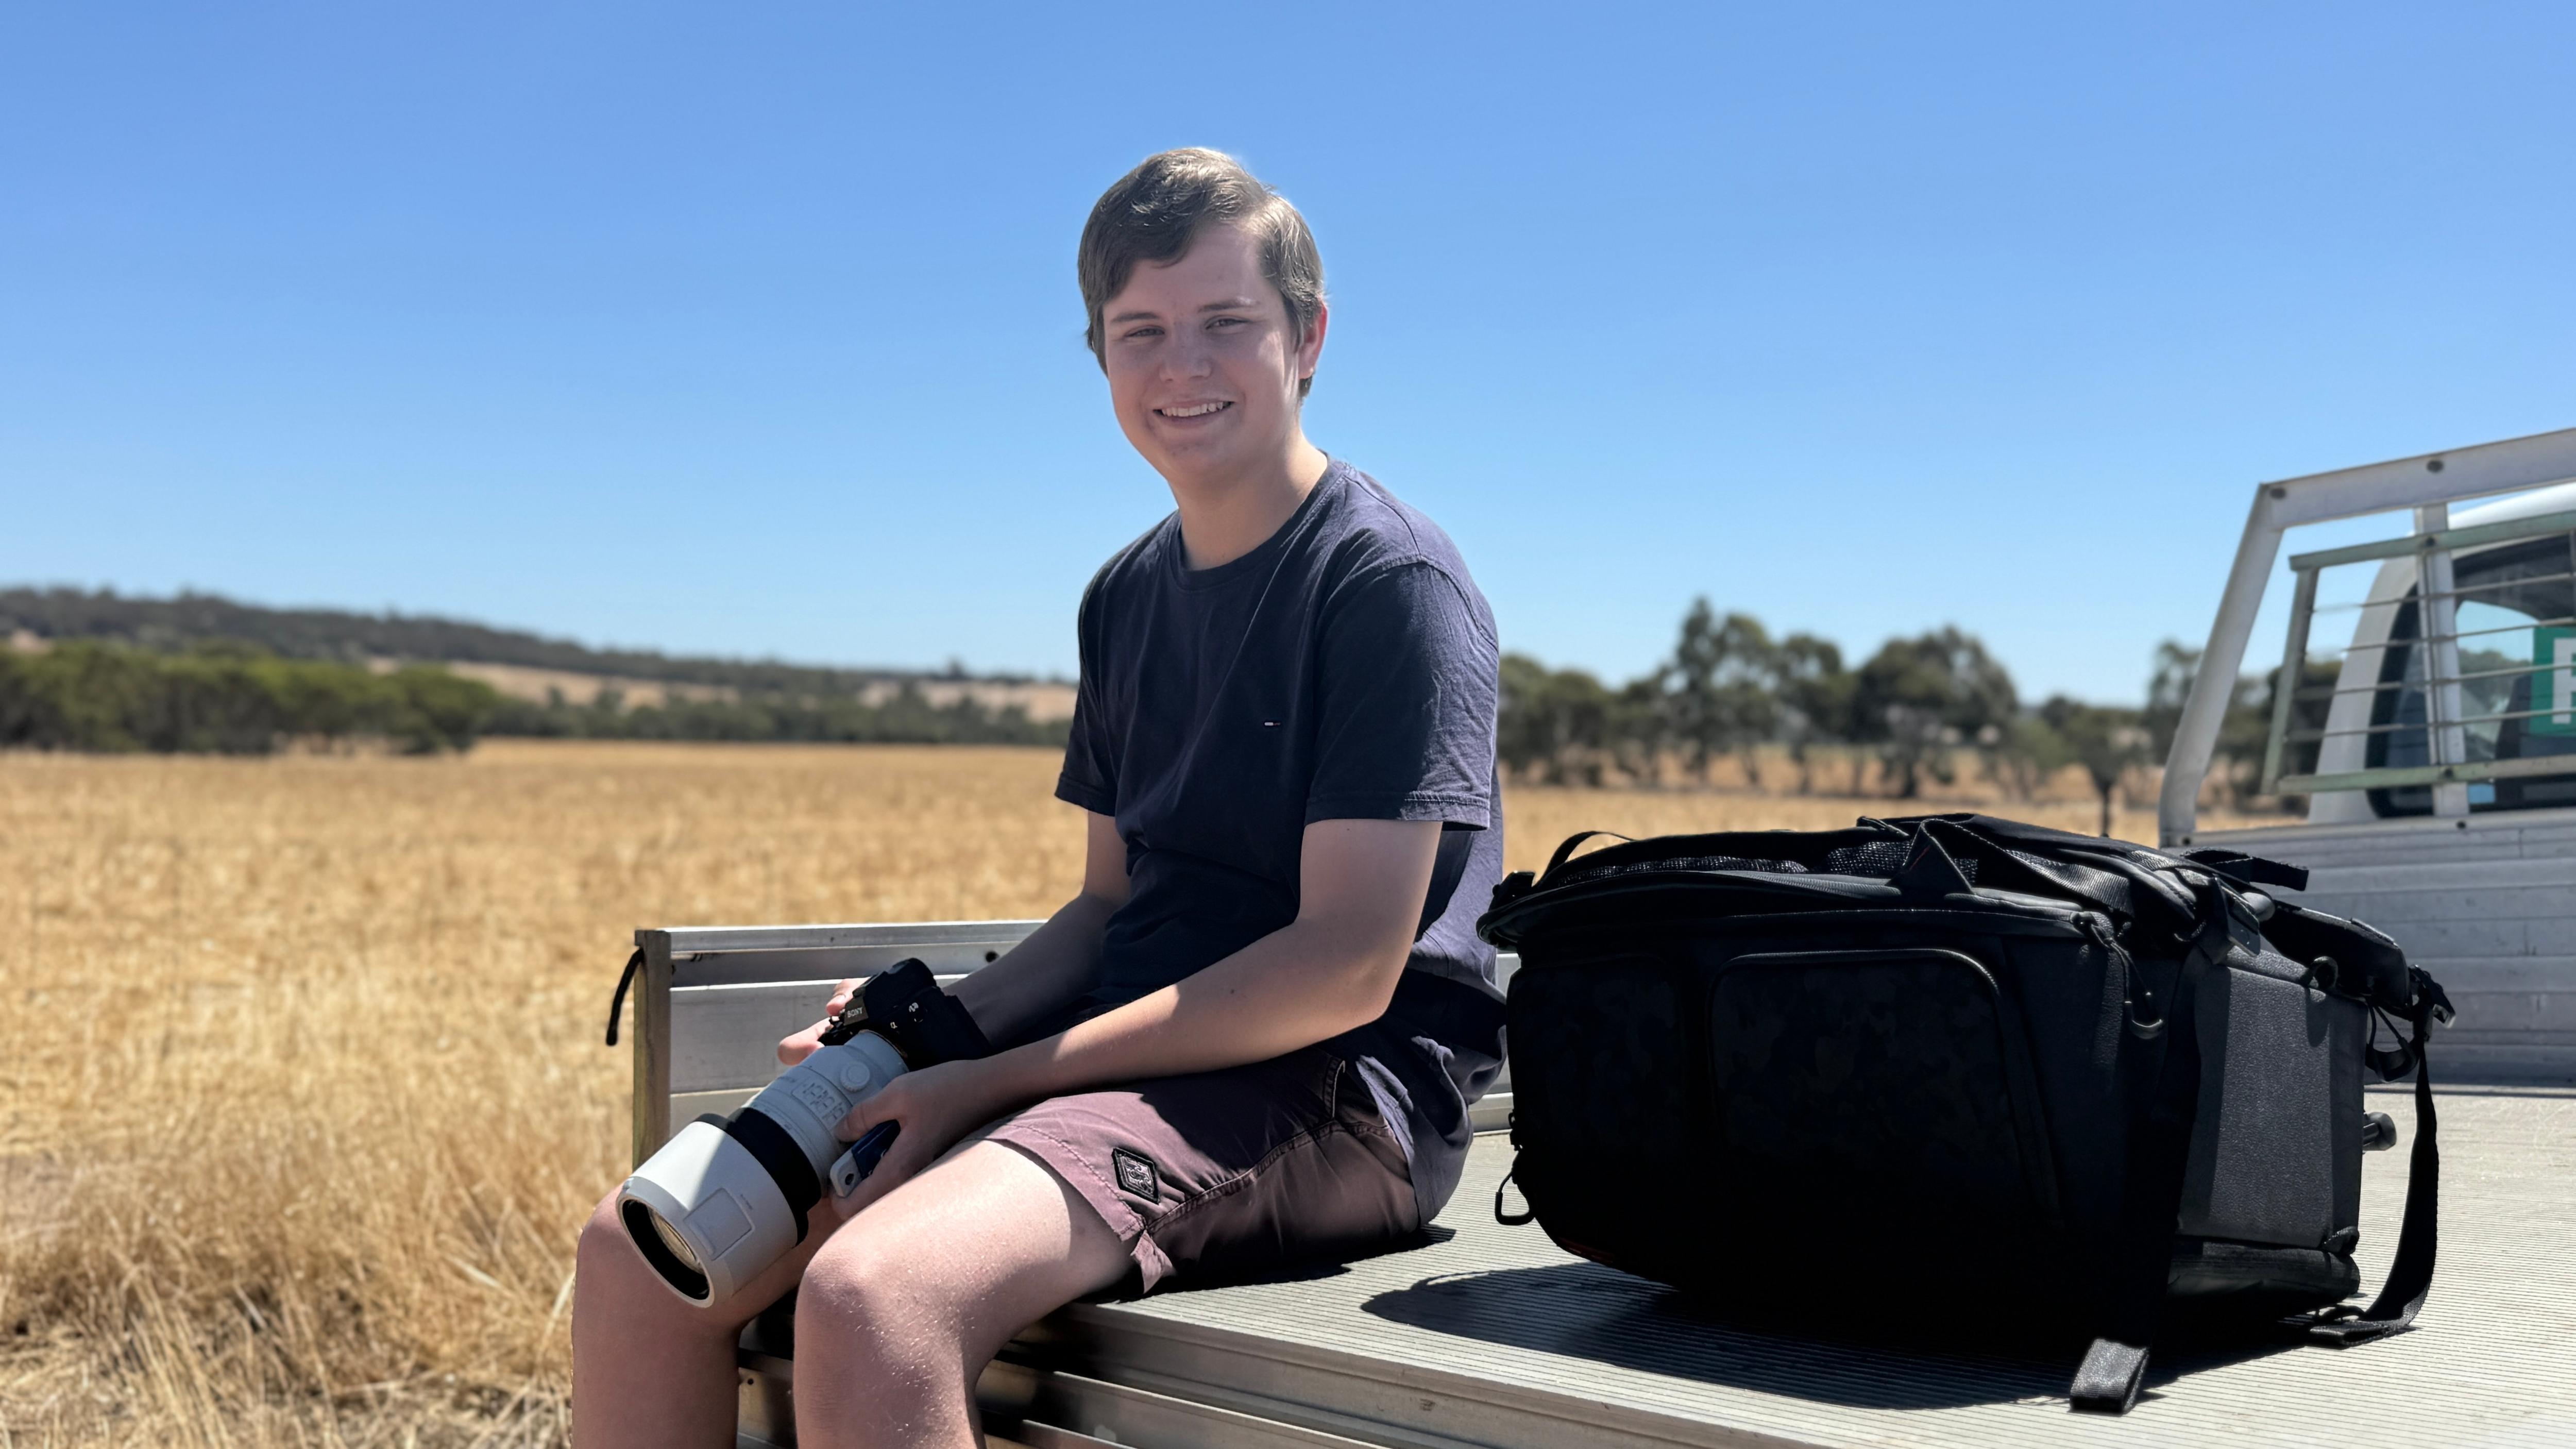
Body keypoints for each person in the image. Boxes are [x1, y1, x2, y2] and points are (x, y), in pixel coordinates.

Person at [571, 147, 1505, 1449]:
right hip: (1140, 1047)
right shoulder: (1124, 597)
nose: (1183, 364)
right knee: (634, 1256)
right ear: (1102, 358)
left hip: (1337, 1087)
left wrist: (993, 1082)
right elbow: (1104, 915)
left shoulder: (1386, 584)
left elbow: (1345, 970)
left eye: (1226, 323)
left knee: (874, 1292)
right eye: (1142, 331)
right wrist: (928, 1035)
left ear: (1308, 338)